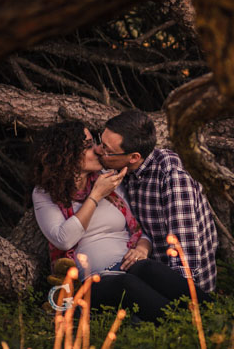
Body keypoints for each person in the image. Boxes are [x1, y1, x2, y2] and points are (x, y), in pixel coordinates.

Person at [30, 121, 211, 322]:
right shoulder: (45, 194)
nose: (98, 150)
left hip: (128, 263)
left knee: (150, 269)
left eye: (95, 142)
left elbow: (139, 231)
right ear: (68, 155)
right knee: (126, 285)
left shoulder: (108, 179)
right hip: (92, 281)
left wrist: (142, 249)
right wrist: (96, 195)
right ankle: (186, 328)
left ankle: (217, 315)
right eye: (89, 146)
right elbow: (64, 240)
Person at [95, 110, 219, 292]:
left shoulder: (172, 177)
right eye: (101, 142)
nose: (98, 150)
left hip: (182, 287)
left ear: (134, 157)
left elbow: (185, 255)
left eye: (107, 150)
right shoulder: (122, 171)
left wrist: (181, 306)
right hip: (147, 273)